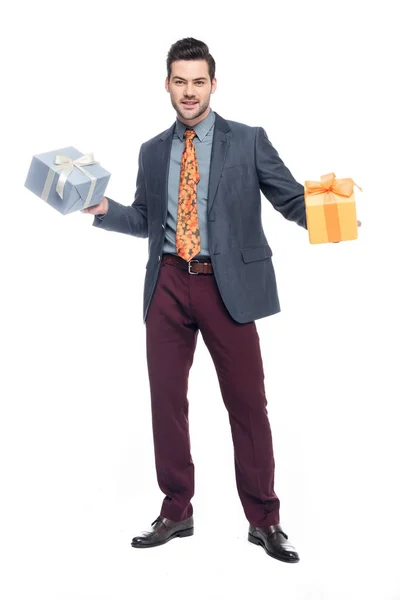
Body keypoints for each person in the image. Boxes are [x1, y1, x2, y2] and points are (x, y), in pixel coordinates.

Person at [82, 37, 361, 563]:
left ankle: (265, 520)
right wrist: (101, 208)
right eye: (180, 81)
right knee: (166, 403)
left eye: (199, 81)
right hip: (166, 282)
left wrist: (333, 219)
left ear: (214, 83)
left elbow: (289, 198)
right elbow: (144, 219)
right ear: (167, 85)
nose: (189, 92)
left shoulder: (248, 140)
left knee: (248, 406)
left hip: (227, 286)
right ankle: (176, 510)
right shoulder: (151, 150)